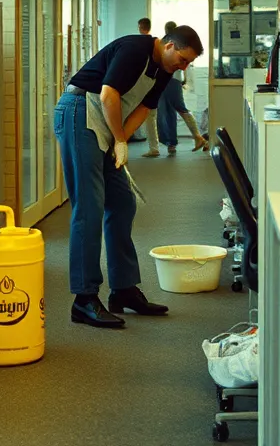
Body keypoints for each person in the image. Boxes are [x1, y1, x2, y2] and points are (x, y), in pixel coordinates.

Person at [55, 25, 203, 328]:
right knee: (90, 207)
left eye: (188, 63)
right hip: (80, 110)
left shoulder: (164, 69)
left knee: (123, 203)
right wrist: (120, 140)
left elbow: (145, 108)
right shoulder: (135, 49)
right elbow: (109, 94)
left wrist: (120, 138)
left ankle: (123, 290)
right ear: (170, 45)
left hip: (108, 118)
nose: (183, 67)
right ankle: (84, 299)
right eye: (183, 60)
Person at [138, 17, 163, 157]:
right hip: (151, 83)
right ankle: (154, 147)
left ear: (140, 27)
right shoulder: (156, 44)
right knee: (151, 116)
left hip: (141, 85)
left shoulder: (138, 44)